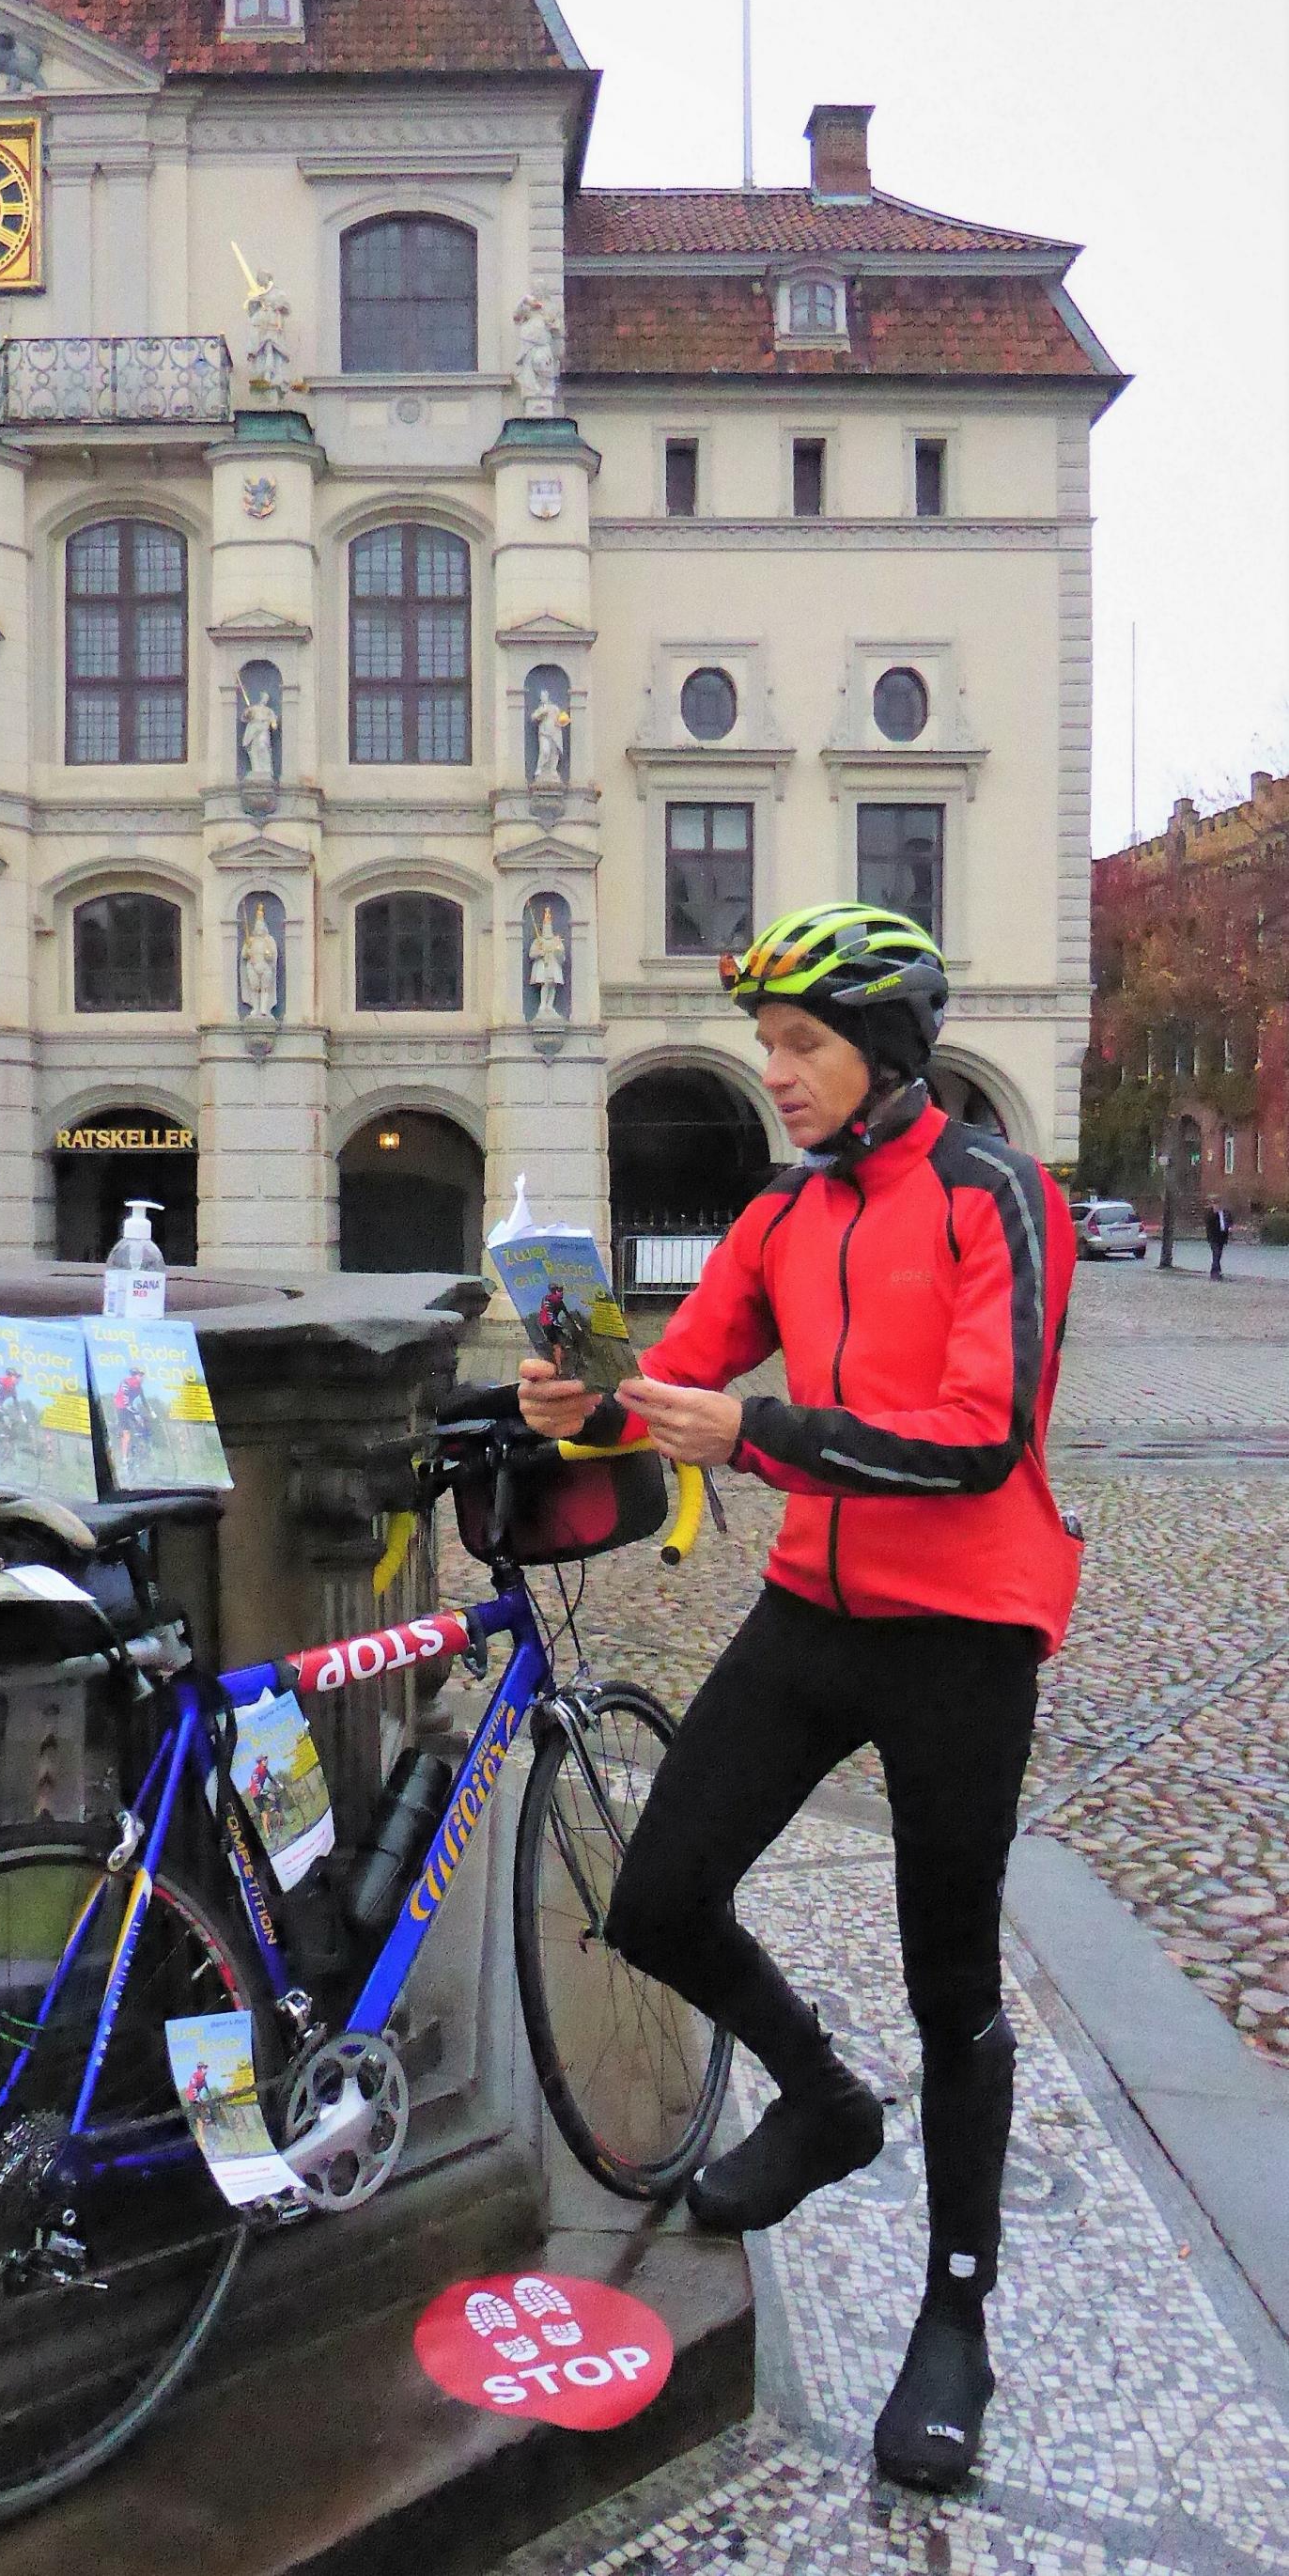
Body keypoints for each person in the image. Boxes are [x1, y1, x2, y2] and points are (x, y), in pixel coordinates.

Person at [518, 902, 1081, 2493]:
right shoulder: (784, 1211)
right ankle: (827, 2097)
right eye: (769, 1045)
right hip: (816, 1608)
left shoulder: (995, 1194)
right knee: (658, 1893)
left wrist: (752, 1434)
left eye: (805, 1044)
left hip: (963, 1626)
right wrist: (573, 1395)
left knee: (949, 1978)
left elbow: (980, 1433)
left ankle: (955, 2312)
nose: (778, 1072)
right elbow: (678, 1367)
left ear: (888, 1051)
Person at [1204, 1197, 1232, 1279]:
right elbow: (1208, 1224)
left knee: (1218, 1254)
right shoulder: (1210, 1214)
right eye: (1215, 1204)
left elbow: (1229, 1221)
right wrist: (1214, 1213)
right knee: (1216, 1254)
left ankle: (1217, 1271)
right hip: (1213, 1237)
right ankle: (1214, 1273)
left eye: (1218, 1204)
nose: (1217, 1206)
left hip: (1222, 1237)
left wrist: (1229, 1227)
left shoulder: (1226, 1213)